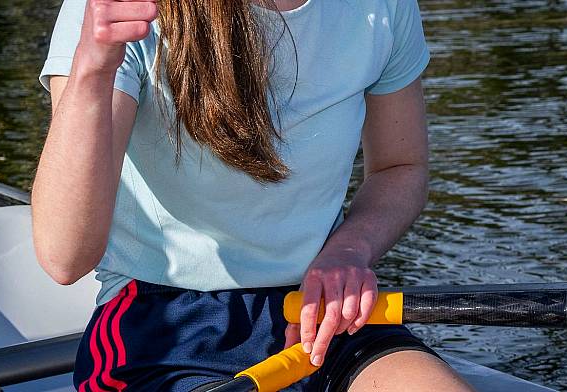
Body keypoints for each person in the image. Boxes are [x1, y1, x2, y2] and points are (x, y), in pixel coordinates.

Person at [33, 0, 475, 390]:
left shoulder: (383, 6)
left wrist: (349, 251)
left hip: (321, 310)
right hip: (161, 321)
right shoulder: (113, 12)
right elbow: (64, 258)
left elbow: (400, 168)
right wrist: (93, 67)